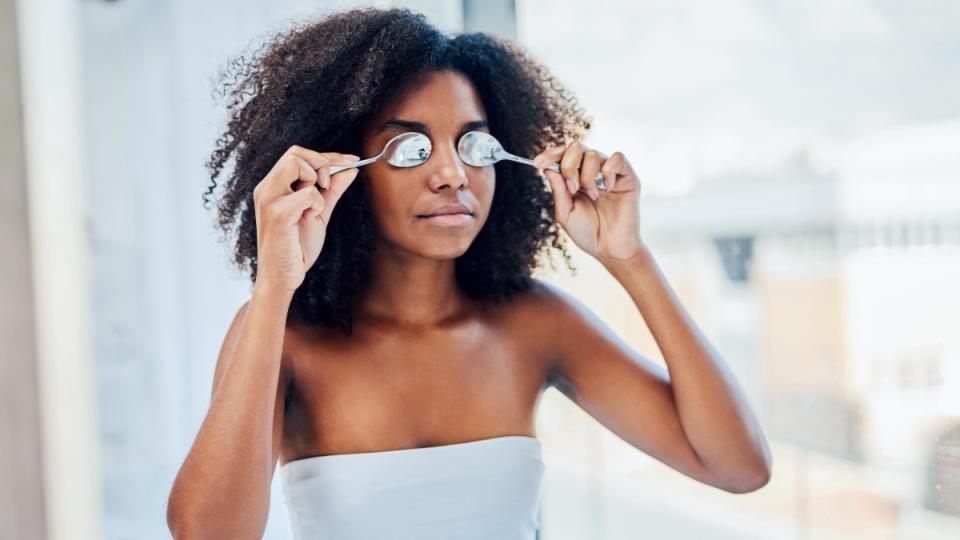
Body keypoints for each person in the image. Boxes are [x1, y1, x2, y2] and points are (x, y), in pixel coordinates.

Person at [166, 7, 772, 539]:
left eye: (474, 145)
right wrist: (275, 285)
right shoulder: (286, 337)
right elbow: (208, 534)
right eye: (412, 149)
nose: (453, 173)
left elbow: (738, 466)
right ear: (341, 169)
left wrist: (629, 260)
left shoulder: (536, 323)